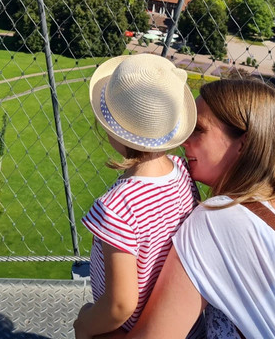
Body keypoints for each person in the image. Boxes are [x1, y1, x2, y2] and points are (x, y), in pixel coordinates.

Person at [118, 78, 275, 339]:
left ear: (243, 143)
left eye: (198, 129)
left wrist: (88, 328)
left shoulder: (218, 218)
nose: (184, 141)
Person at [73, 54, 199, 339]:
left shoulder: (116, 208)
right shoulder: (181, 172)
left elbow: (120, 304)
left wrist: (85, 325)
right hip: (171, 322)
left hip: (123, 329)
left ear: (113, 131)